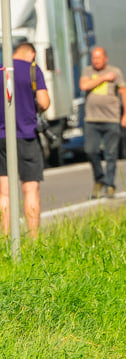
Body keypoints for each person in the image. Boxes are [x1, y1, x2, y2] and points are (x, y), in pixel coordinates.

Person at [0, 42, 50, 239]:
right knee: (30, 189)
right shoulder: (32, 69)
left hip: (1, 138)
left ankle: (5, 239)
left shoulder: (1, 68)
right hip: (26, 136)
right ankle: (33, 238)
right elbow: (44, 102)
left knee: (3, 192)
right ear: (31, 54)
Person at [80, 46, 126, 199]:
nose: (96, 60)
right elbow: (84, 86)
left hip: (111, 118)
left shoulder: (115, 72)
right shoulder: (88, 71)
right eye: (94, 58)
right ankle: (99, 179)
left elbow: (124, 93)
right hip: (92, 119)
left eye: (99, 57)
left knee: (111, 153)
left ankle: (109, 184)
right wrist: (103, 78)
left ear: (105, 58)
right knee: (90, 150)